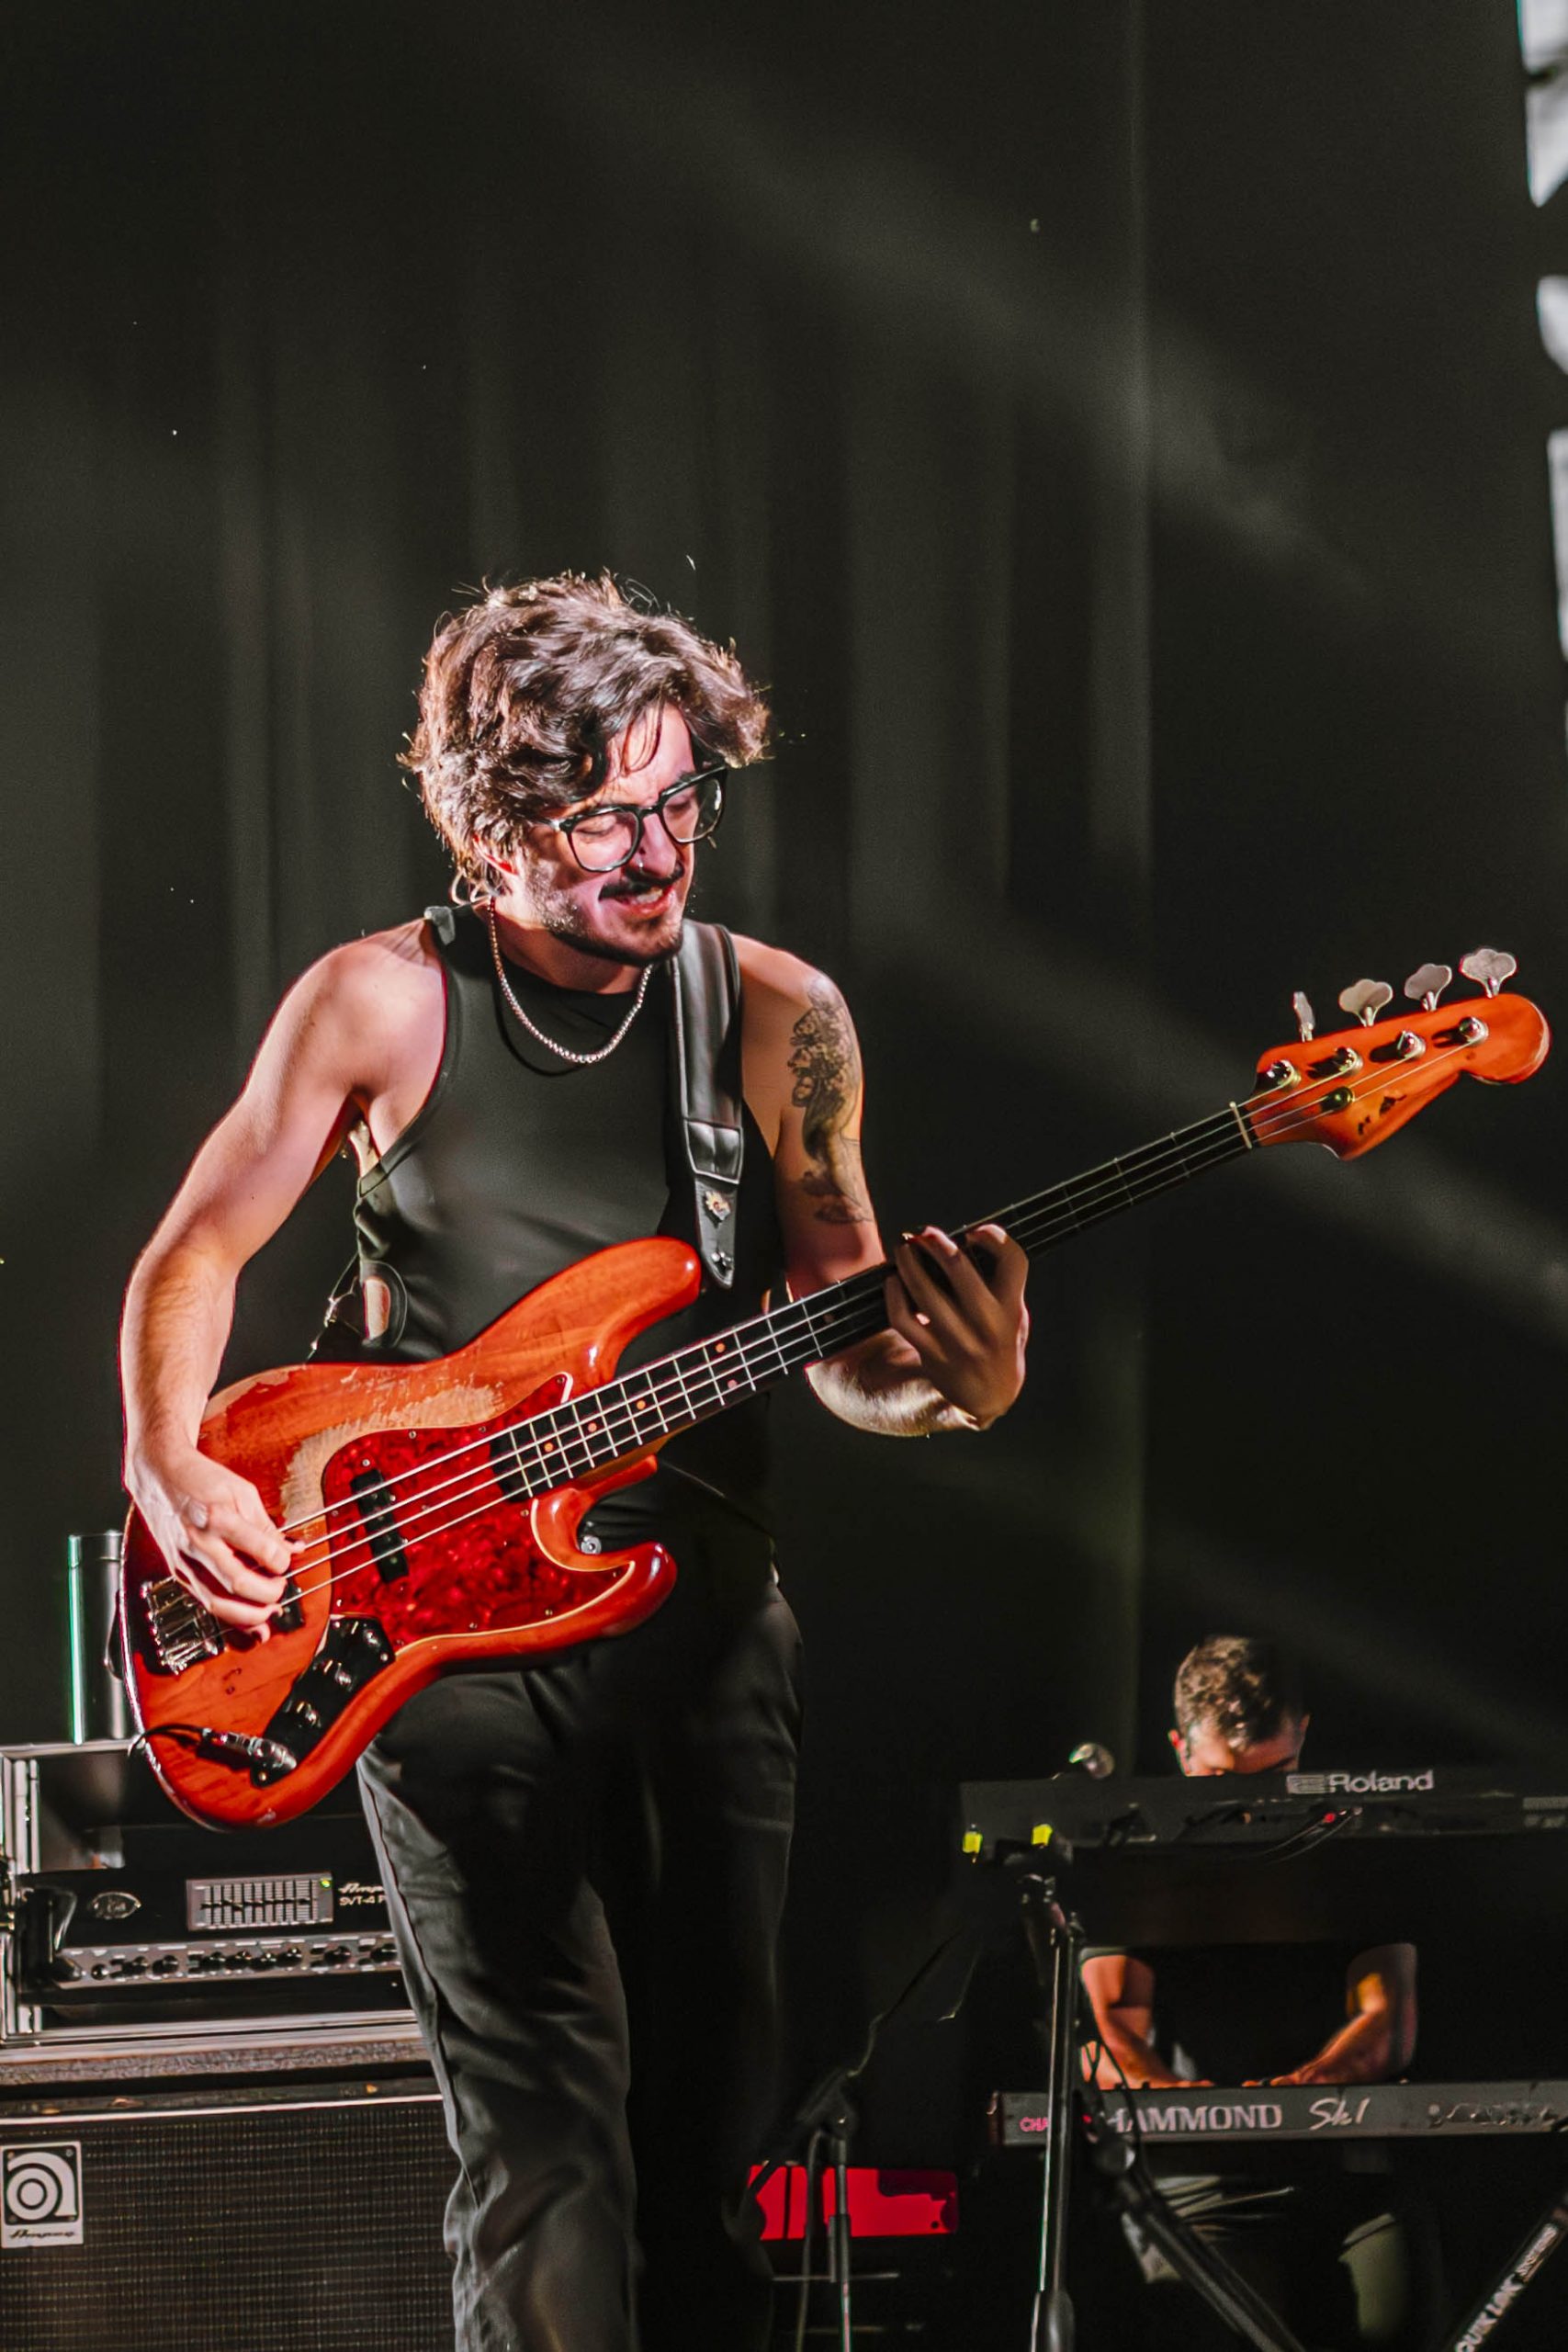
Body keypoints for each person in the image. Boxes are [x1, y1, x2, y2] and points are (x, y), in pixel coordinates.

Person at [118, 573, 1031, 2352]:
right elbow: (194, 1253)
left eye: (682, 800)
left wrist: (958, 1394)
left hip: (702, 1632)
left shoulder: (777, 1015)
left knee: (711, 2157)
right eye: (605, 815)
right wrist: (168, 1457)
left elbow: (847, 1346)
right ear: (486, 822)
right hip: (432, 1640)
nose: (657, 849)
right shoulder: (377, 1001)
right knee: (542, 2147)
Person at [1080, 1636, 1423, 2349]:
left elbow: (1385, 2017)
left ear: (1302, 1736)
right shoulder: (1130, 1858)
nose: (1249, 1806)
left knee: (1396, 2329)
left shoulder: (1360, 1846)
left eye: (1277, 1775)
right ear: (1179, 1749)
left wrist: (1302, 2093)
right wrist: (1195, 2108)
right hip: (1204, 2188)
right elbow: (1109, 2030)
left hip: (1348, 2175)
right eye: (1219, 1780)